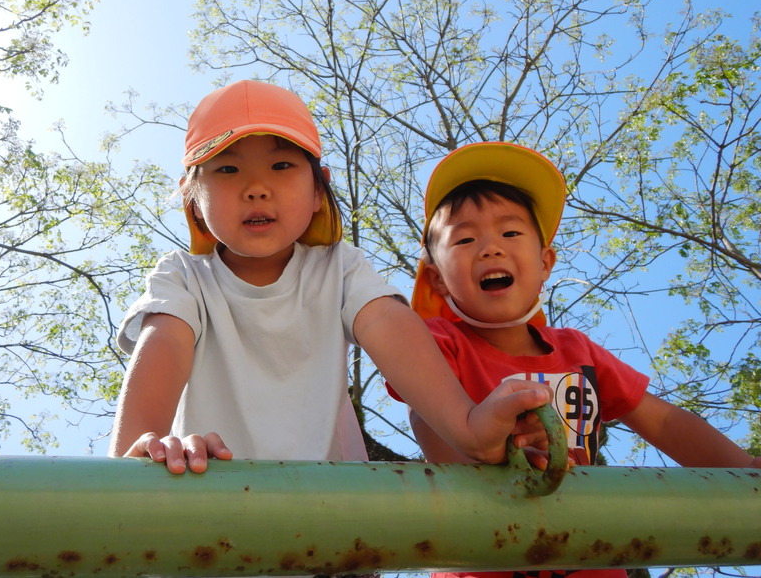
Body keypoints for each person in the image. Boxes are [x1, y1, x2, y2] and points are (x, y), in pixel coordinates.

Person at [393, 140, 761, 578]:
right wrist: (482, 477)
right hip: (482, 558)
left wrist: (746, 468)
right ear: (438, 280)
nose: (490, 248)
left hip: (587, 554)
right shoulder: (437, 341)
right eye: (464, 238)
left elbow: (664, 422)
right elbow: (424, 413)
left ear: (545, 263)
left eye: (511, 232)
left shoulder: (577, 351)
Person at [108, 81, 552, 473]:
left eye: (282, 166)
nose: (256, 187)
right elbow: (164, 342)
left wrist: (467, 427)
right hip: (207, 505)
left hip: (332, 526)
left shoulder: (339, 267)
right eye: (227, 169)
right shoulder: (183, 277)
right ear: (192, 202)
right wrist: (138, 451)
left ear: (319, 189)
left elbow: (388, 325)